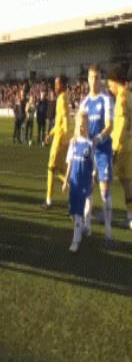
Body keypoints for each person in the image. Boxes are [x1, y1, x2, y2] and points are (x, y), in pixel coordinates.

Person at [79, 65, 114, 239]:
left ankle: (108, 229)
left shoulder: (106, 100)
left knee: (104, 192)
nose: (94, 81)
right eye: (92, 77)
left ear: (101, 79)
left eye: (97, 77)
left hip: (103, 151)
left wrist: (98, 138)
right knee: (87, 190)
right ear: (88, 79)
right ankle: (87, 226)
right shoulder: (84, 103)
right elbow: (80, 127)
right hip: (89, 152)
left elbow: (110, 126)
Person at [62, 112, 94, 253]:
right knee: (73, 212)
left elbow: (93, 165)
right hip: (74, 183)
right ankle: (83, 227)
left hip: (83, 183)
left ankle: (75, 240)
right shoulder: (73, 143)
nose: (81, 128)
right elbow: (69, 163)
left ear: (87, 126)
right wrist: (65, 181)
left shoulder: (89, 144)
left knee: (79, 212)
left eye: (83, 125)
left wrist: (93, 177)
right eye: (79, 125)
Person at [107, 65, 132, 229]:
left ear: (115, 81)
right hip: (130, 146)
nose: (109, 88)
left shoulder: (121, 98)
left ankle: (106, 212)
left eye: (110, 84)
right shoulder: (130, 95)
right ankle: (131, 217)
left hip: (120, 148)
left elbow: (122, 123)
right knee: (127, 182)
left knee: (104, 179)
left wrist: (114, 148)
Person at [43, 76, 70, 209]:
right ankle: (70, 187)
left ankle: (49, 200)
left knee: (51, 168)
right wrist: (50, 134)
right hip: (59, 137)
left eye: (57, 84)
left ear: (63, 85)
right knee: (58, 169)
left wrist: (65, 139)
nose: (55, 86)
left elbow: (65, 120)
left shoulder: (62, 99)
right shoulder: (63, 97)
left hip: (60, 140)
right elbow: (59, 122)